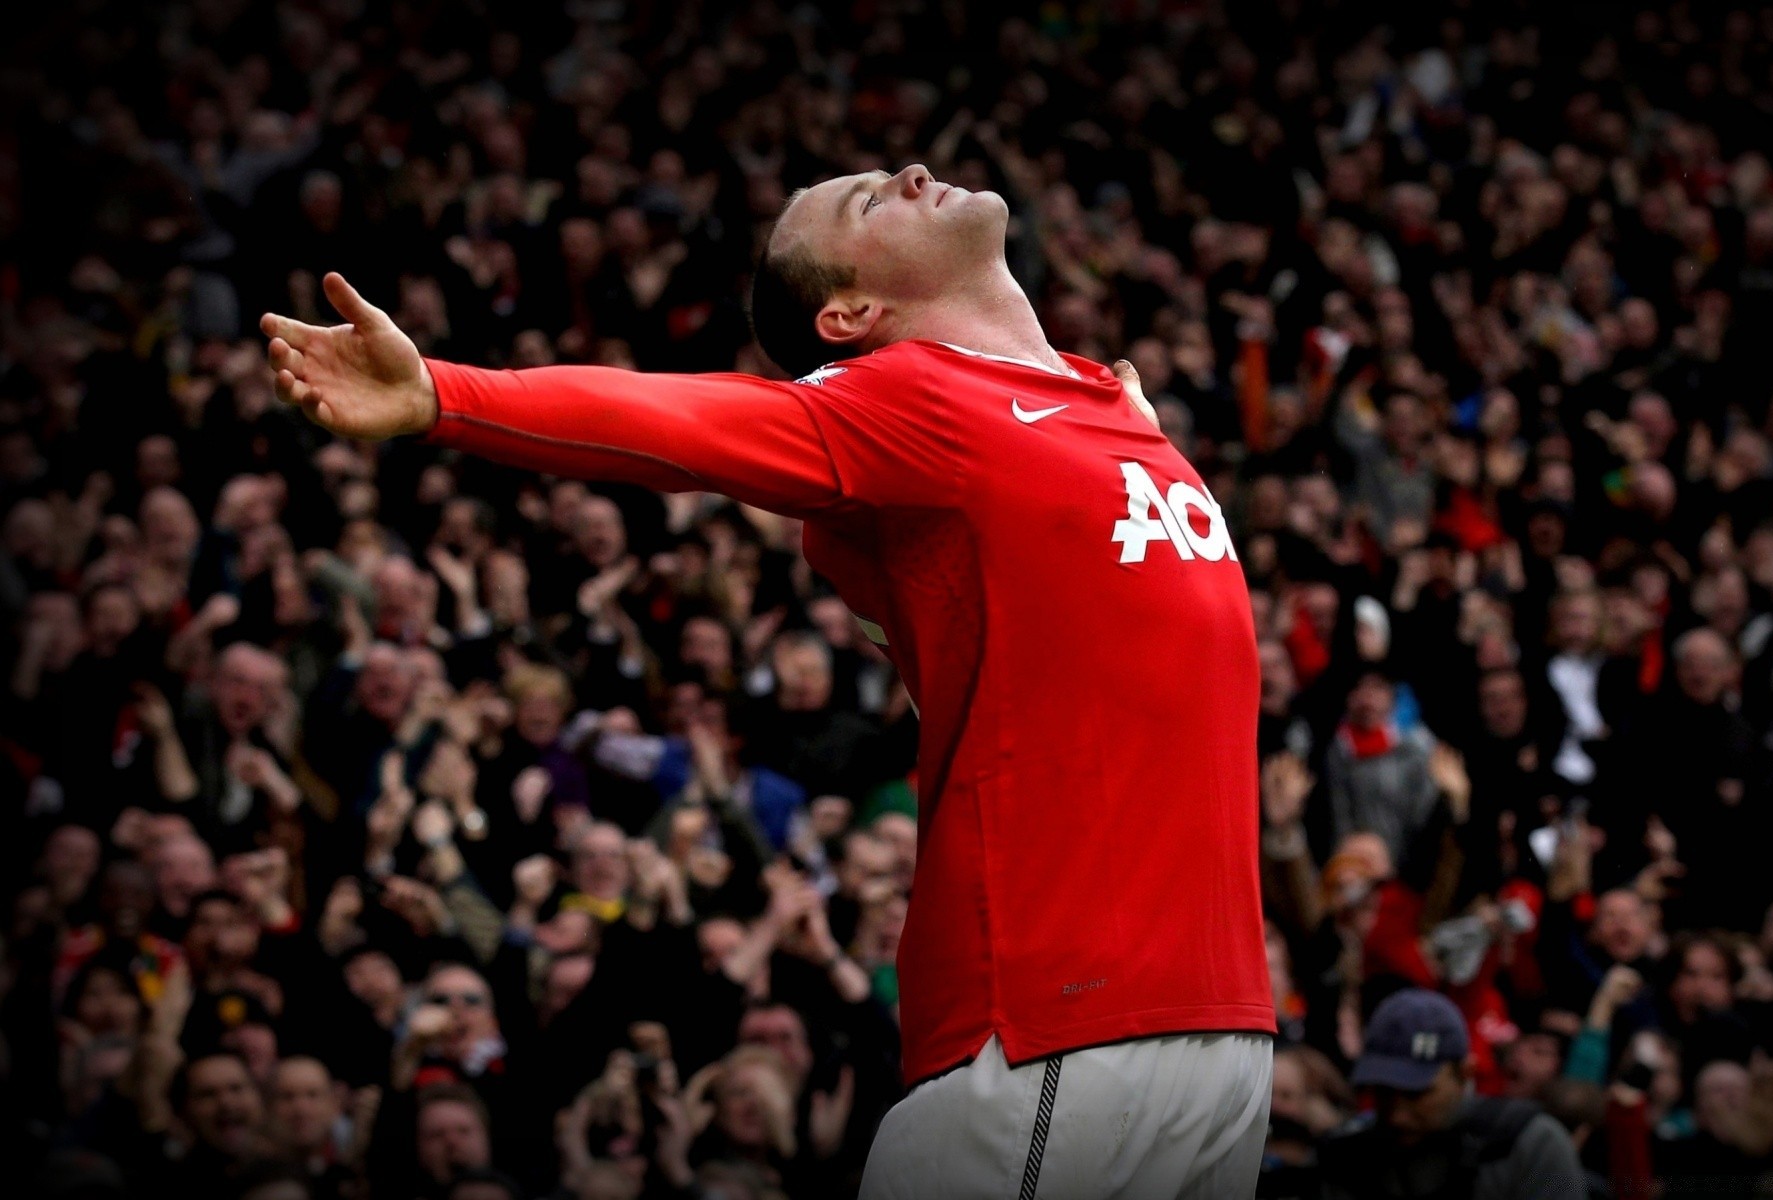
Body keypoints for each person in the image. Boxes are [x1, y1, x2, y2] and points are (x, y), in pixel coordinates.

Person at [261, 160, 1275, 1196]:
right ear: (852, 313)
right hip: (1057, 1020)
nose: (913, 172)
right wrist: (444, 394)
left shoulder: (1106, 405)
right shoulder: (913, 397)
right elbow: (677, 423)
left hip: (1226, 1030)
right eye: (868, 201)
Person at [1317, 989, 1583, 1200]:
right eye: (1384, 1092)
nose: (1397, 1114)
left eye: (1416, 1093)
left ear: (1464, 1073)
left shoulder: (1526, 1144)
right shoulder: (1349, 1157)